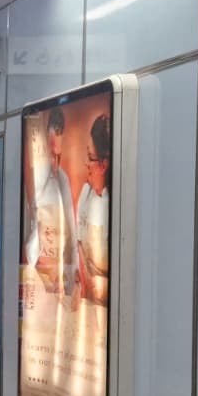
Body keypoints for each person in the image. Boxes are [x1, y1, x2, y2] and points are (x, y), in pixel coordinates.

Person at [26, 107, 78, 297]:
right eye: (51, 156)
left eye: (58, 157)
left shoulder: (63, 180)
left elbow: (72, 234)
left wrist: (74, 280)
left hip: (59, 284)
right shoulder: (35, 179)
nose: (54, 164)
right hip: (37, 282)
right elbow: (30, 234)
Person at [76, 115, 111, 304]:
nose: (86, 164)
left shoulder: (114, 206)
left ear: (104, 165)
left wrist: (105, 285)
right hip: (88, 299)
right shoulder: (86, 193)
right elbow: (79, 242)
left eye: (90, 158)